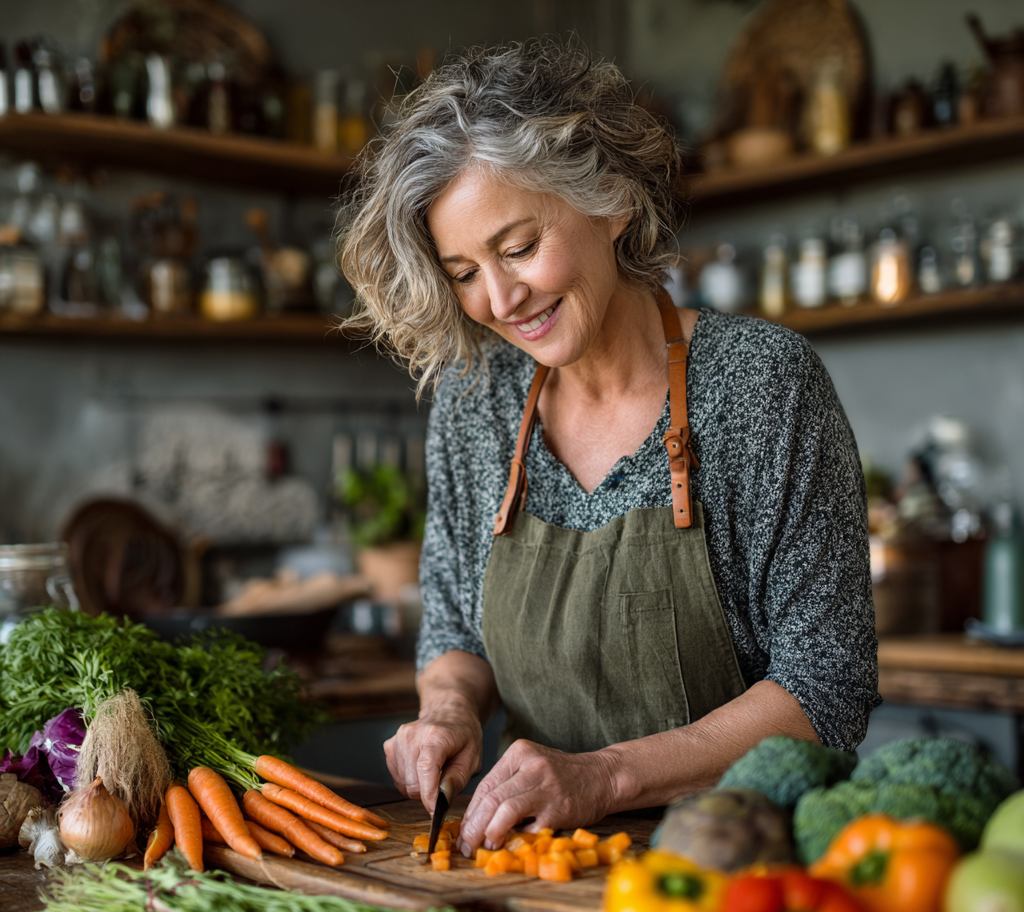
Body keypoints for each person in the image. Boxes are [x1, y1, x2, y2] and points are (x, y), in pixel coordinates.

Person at [337, 40, 878, 858]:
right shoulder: (474, 402)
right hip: (533, 860)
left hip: (744, 870)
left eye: (518, 248)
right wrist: (446, 709)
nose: (500, 298)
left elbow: (825, 688)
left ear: (612, 200)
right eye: (462, 271)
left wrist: (603, 777)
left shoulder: (763, 385)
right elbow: (454, 624)